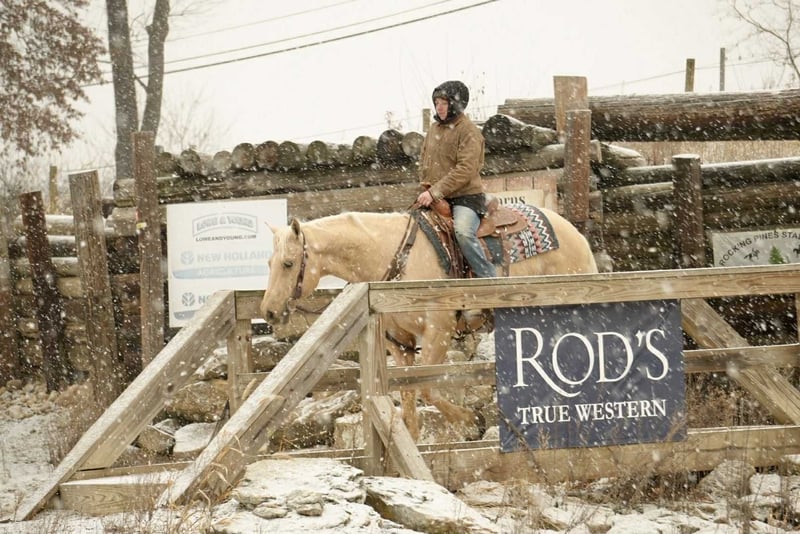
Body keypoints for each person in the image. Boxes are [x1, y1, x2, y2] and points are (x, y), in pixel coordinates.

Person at [416, 80, 496, 278]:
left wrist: (435, 192)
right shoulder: (433, 129)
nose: (439, 107)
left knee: (463, 232)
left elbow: (466, 169)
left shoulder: (469, 131)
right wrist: (426, 188)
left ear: (456, 104)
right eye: (436, 103)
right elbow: (424, 162)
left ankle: (489, 278)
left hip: (465, 198)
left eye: (444, 103)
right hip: (436, 198)